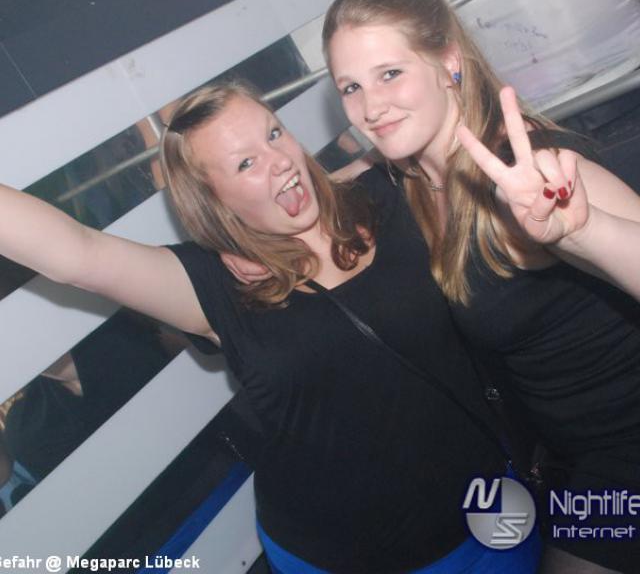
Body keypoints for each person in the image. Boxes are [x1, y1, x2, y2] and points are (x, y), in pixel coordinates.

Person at [0, 81, 541, 573]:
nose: (280, 161)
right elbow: (78, 254)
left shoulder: (383, 196)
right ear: (214, 202)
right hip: (340, 555)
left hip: (485, 512)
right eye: (245, 164)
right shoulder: (214, 285)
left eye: (274, 133)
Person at [319, 0, 640, 574]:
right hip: (569, 456)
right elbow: (333, 186)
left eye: (390, 74)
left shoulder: (529, 171)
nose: (371, 107)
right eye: (351, 87)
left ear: (448, 60)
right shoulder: (411, 180)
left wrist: (582, 230)